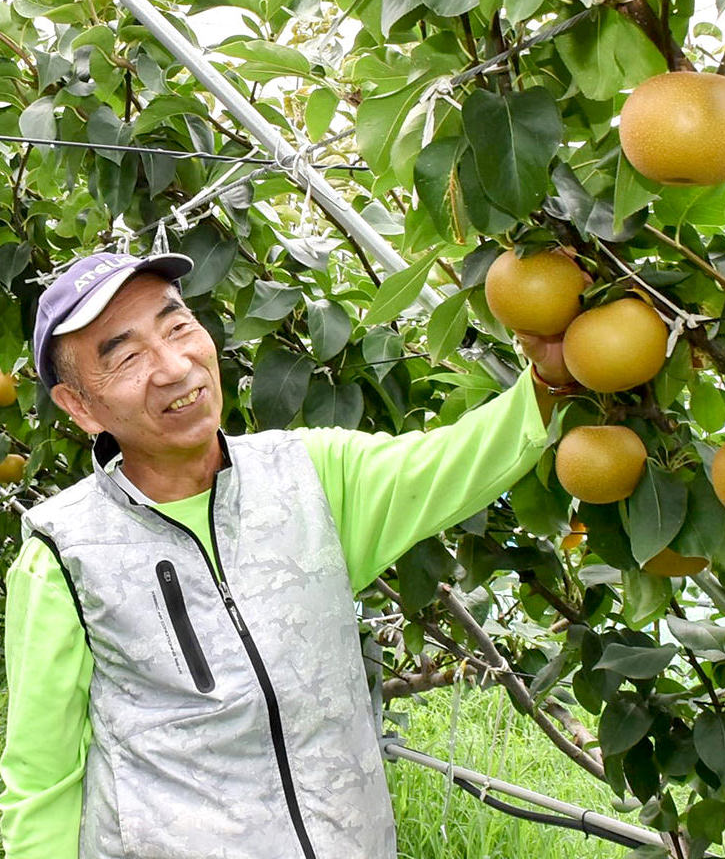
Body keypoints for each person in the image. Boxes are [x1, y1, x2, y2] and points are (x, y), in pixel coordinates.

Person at [0, 250, 577, 859]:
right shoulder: (64, 554)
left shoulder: (309, 476)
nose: (174, 366)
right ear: (81, 407)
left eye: (177, 328)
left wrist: (548, 381)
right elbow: (41, 778)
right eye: (129, 356)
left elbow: (454, 462)